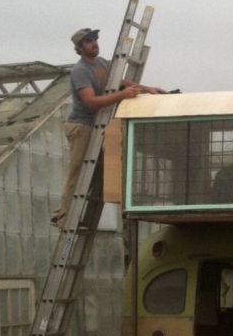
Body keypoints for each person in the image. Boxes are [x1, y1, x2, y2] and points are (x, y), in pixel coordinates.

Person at [50, 27, 166, 228]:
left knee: (101, 167)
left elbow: (119, 82)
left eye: (94, 38)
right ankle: (64, 216)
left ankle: (79, 212)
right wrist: (122, 96)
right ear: (79, 47)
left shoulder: (102, 63)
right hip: (81, 126)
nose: (94, 42)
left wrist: (146, 89)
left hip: (94, 126)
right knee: (77, 171)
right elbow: (91, 102)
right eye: (88, 41)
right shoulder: (80, 71)